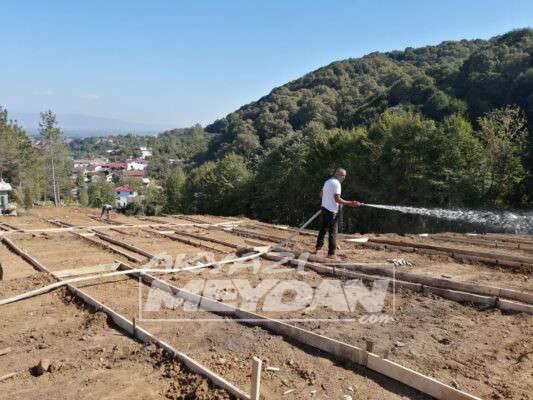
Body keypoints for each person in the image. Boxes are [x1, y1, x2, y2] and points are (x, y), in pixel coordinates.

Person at [314, 168, 359, 259]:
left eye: (344, 176)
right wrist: (350, 203)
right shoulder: (337, 183)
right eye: (342, 175)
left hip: (324, 208)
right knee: (333, 232)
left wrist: (327, 200)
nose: (344, 177)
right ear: (337, 174)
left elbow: (321, 194)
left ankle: (318, 248)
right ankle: (331, 254)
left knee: (323, 229)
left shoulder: (327, 182)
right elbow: (337, 199)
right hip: (331, 211)